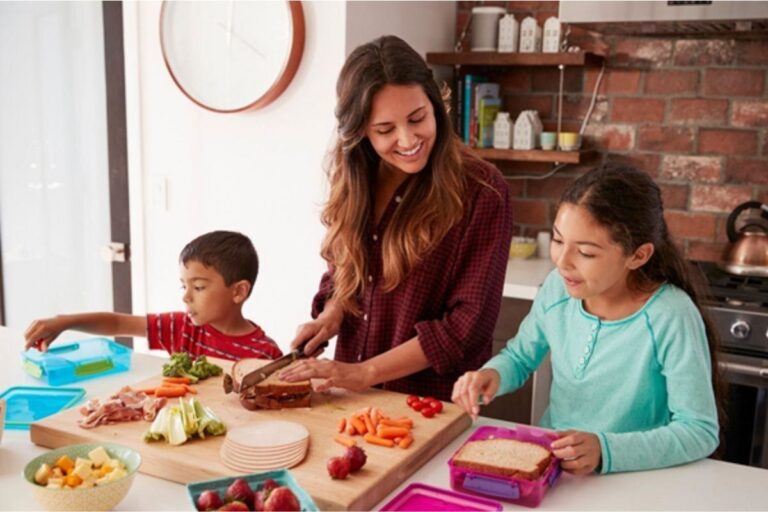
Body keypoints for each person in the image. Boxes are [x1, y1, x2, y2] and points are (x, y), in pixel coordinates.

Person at [279, 35, 513, 401]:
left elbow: (467, 326)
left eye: (417, 118)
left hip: (429, 405)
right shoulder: (355, 177)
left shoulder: (483, 190)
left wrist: (365, 372)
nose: (408, 140)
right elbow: (346, 270)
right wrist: (331, 315)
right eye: (385, 130)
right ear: (360, 132)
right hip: (349, 399)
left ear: (435, 105)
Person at [452, 165, 722, 475]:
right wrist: (492, 374)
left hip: (635, 478)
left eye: (585, 252)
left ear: (638, 255)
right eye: (557, 240)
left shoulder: (670, 315)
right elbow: (520, 355)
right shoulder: (558, 288)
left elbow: (699, 430)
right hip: (556, 469)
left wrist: (606, 451)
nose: (563, 261)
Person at [24, 230, 282, 361]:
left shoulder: (264, 354)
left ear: (238, 291)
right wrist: (65, 322)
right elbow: (117, 323)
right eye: (184, 286)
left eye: (199, 287)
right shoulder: (181, 328)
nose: (186, 298)